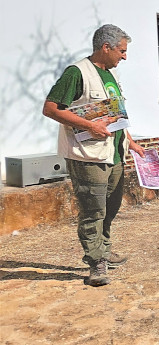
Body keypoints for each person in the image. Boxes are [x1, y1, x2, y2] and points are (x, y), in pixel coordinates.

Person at [42, 24, 145, 287]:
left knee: (111, 207)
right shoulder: (76, 73)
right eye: (121, 51)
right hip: (88, 156)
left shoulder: (111, 76)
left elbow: (118, 116)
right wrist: (90, 126)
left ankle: (105, 250)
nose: (124, 56)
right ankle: (96, 262)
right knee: (93, 210)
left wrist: (131, 143)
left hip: (115, 154)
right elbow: (51, 108)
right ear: (105, 47)